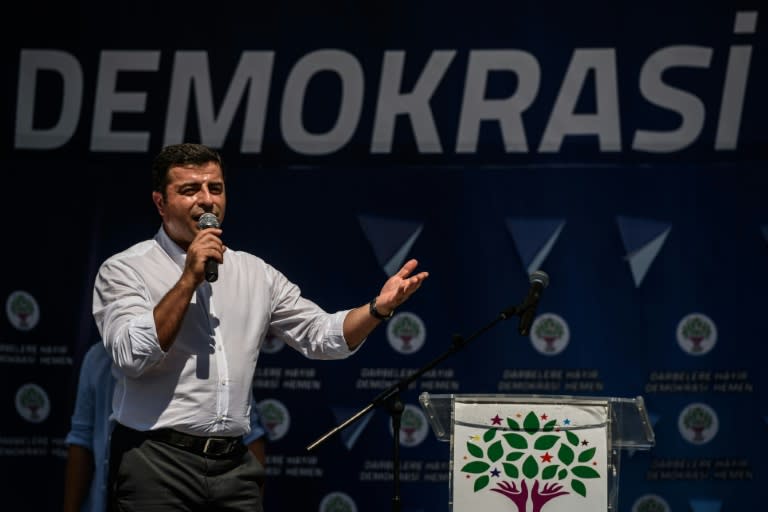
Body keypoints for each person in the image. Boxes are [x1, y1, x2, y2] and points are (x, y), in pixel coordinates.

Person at [91, 143, 429, 512]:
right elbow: (131, 355)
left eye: (215, 188)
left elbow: (321, 335)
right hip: (155, 461)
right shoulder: (125, 269)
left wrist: (377, 309)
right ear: (160, 202)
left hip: (234, 464)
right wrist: (188, 278)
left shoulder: (254, 272)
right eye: (190, 190)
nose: (206, 201)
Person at [63, 341, 268, 512]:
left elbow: (249, 435)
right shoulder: (96, 358)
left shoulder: (207, 357)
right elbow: (81, 441)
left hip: (183, 492)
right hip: (112, 498)